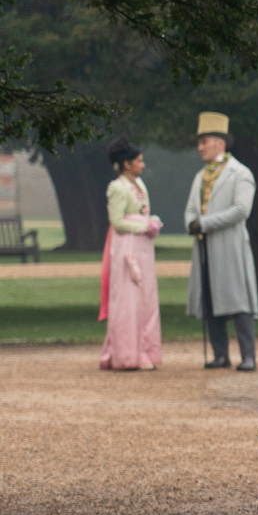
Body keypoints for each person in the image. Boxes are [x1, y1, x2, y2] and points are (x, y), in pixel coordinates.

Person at [184, 111, 258, 371]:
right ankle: (220, 354)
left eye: (205, 141)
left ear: (220, 142)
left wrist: (204, 223)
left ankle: (248, 355)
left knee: (239, 300)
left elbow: (241, 210)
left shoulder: (241, 173)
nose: (200, 147)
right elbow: (190, 210)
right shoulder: (199, 177)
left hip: (231, 245)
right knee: (210, 299)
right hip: (205, 247)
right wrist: (191, 223)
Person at [99, 140, 163, 371]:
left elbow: (141, 212)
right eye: (139, 161)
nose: (143, 165)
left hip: (143, 249)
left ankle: (145, 350)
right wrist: (143, 227)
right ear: (126, 164)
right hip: (127, 248)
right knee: (128, 300)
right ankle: (127, 353)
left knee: (146, 299)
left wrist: (151, 221)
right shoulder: (117, 188)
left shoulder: (140, 184)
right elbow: (117, 222)